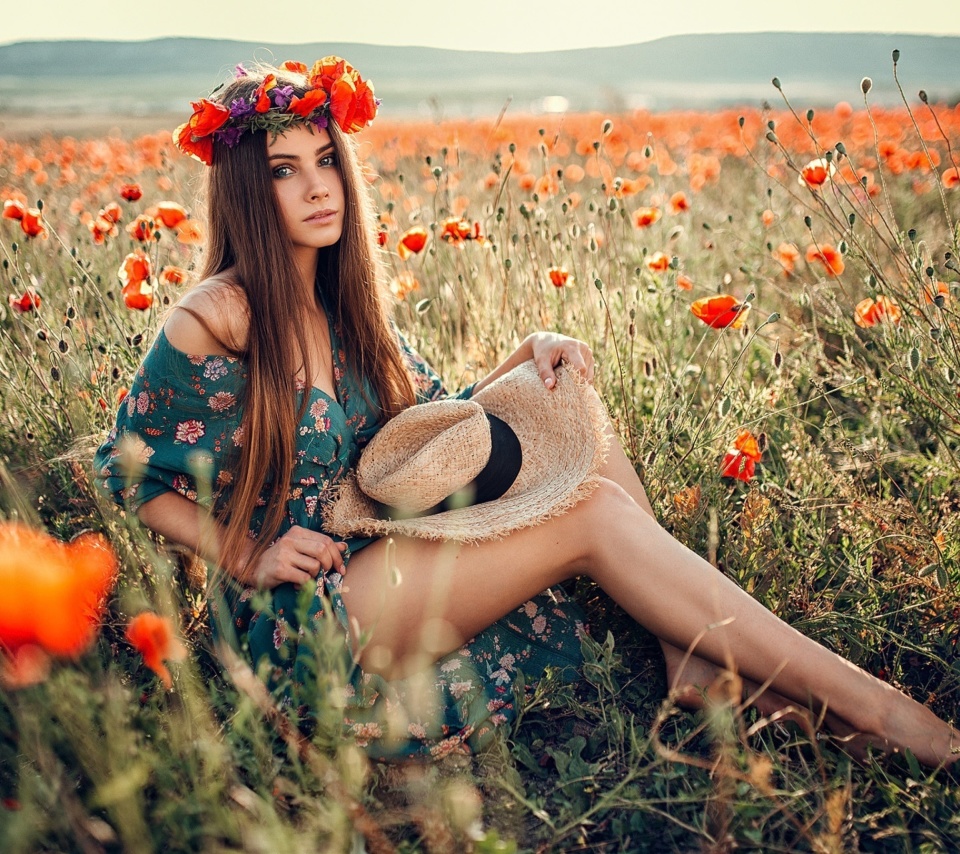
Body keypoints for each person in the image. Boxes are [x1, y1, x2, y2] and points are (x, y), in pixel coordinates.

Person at [94, 58, 959, 767]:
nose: (319, 189)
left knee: (562, 392)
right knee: (587, 507)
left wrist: (528, 352)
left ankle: (687, 658)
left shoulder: (340, 300)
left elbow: (432, 429)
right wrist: (247, 557)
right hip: (312, 619)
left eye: (326, 161)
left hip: (389, 555)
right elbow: (124, 469)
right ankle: (877, 712)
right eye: (285, 171)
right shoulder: (219, 314)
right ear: (248, 190)